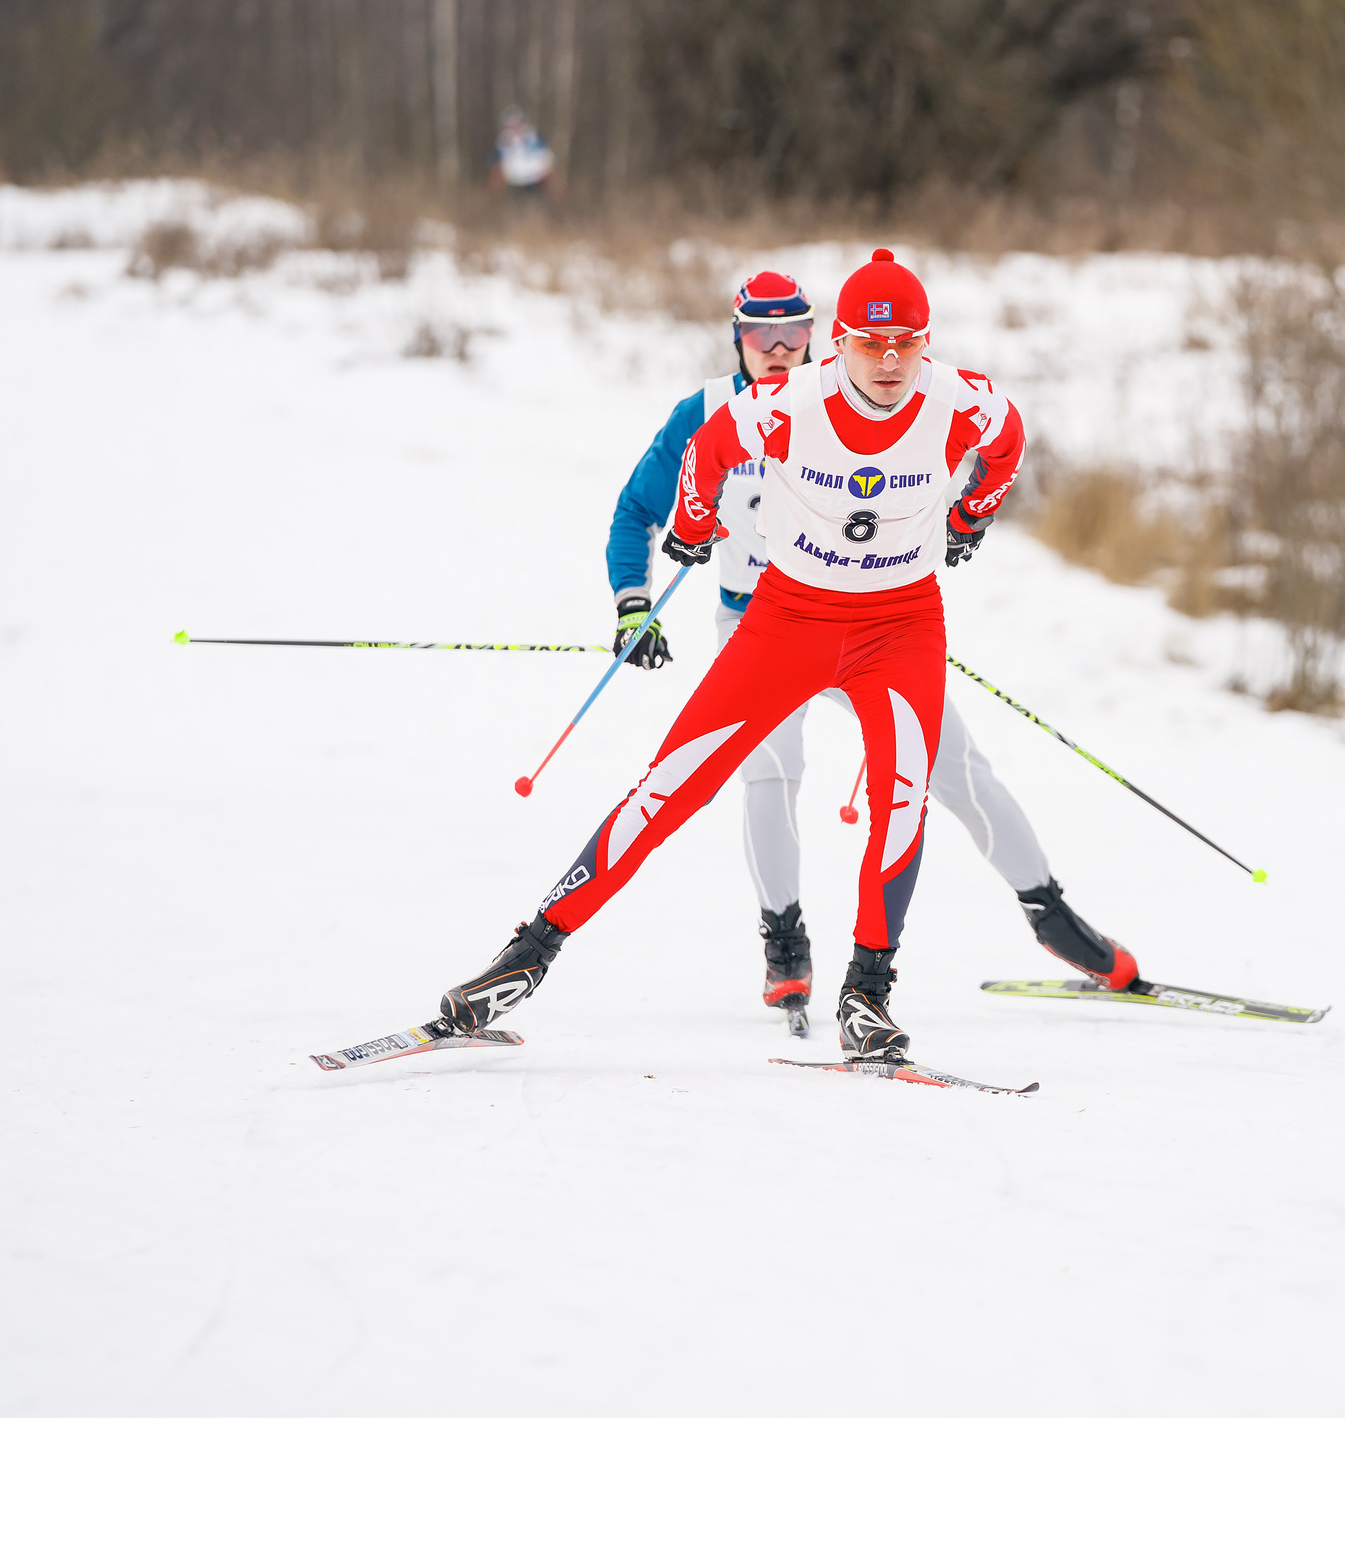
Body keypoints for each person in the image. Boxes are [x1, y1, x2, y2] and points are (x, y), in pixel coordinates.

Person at [442, 250, 1111, 1061]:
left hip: (899, 627)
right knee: (672, 787)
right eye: (872, 343)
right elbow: (704, 455)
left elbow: (1009, 444)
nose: (890, 359)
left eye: (906, 342)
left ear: (925, 342)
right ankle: (528, 955)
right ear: (841, 346)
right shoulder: (785, 404)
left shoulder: (961, 400)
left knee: (908, 797)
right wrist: (685, 535)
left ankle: (867, 992)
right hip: (783, 621)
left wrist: (971, 515)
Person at [600, 267, 1146, 1032]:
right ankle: (785, 945)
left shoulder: (844, 399)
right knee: (773, 773)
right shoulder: (712, 411)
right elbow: (638, 512)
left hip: (871, 621)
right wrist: (633, 604)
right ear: (738, 338)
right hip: (761, 623)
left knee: (954, 771)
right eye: (762, 335)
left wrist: (954, 527)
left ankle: (1049, 913)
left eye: (796, 332)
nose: (780, 350)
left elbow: (962, 457)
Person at [489, 106, 557, 201]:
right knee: (495, 174)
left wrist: (543, 170)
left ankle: (561, 204)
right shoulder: (502, 142)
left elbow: (546, 156)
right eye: (511, 125)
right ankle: (493, 203)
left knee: (553, 176)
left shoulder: (534, 137)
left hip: (535, 174)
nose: (514, 127)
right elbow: (494, 162)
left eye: (517, 124)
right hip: (512, 175)